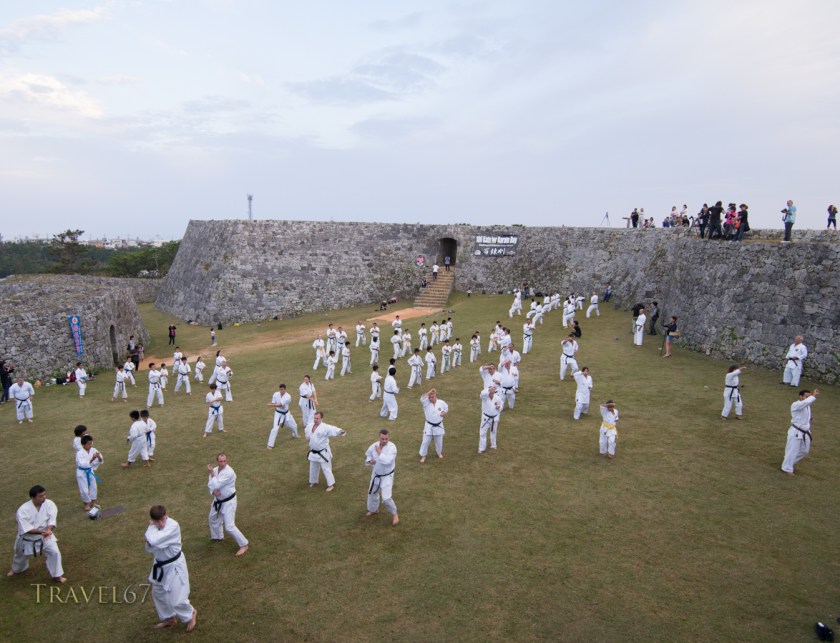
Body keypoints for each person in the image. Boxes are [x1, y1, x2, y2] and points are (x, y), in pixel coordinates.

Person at [144, 505, 197, 632]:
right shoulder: (155, 529)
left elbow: (153, 541)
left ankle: (191, 613)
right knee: (158, 593)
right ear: (153, 519)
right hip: (160, 565)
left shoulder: (173, 526)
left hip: (174, 565)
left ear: (166, 515)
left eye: (162, 520)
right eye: (157, 521)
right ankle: (169, 618)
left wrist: (151, 526)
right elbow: (149, 547)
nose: (161, 524)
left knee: (177, 599)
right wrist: (151, 533)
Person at [7, 485, 65, 583]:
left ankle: (56, 575)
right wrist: (44, 532)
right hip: (27, 538)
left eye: (44, 494)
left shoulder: (49, 504)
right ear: (33, 497)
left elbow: (52, 520)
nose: (44, 497)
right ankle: (16, 569)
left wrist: (49, 530)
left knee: (54, 552)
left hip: (46, 536)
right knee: (20, 556)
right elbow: (27, 529)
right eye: (41, 496)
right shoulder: (23, 510)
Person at [207, 453, 249, 556]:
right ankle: (218, 536)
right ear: (217, 461)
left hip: (229, 502)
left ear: (227, 460)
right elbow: (210, 484)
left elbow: (216, 484)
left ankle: (244, 544)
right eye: (221, 461)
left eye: (225, 461)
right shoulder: (216, 470)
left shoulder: (229, 472)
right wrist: (213, 492)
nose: (223, 463)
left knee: (229, 526)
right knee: (212, 518)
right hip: (218, 500)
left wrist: (212, 474)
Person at [780, 388, 820, 475]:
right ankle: (787, 468)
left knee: (805, 451)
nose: (807, 398)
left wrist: (809, 418)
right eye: (806, 396)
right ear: (800, 396)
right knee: (792, 450)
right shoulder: (796, 404)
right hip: (796, 432)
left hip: (805, 432)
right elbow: (805, 403)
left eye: (808, 397)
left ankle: (788, 462)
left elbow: (805, 413)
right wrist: (813, 396)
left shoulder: (807, 406)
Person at [305, 411, 347, 491]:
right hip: (313, 451)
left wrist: (340, 431)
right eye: (314, 418)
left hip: (323, 452)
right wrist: (307, 437)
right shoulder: (310, 426)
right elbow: (307, 432)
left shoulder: (325, 427)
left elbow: (333, 429)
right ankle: (313, 481)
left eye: (317, 418)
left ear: (321, 419)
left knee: (326, 468)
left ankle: (331, 485)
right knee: (313, 467)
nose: (315, 420)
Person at [365, 429, 399, 526]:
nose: (384, 440)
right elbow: (368, 455)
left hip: (387, 475)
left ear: (389, 437)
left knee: (386, 498)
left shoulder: (392, 448)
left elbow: (388, 461)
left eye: (386, 439)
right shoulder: (373, 446)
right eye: (382, 439)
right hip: (376, 474)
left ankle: (394, 514)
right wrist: (370, 461)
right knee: (372, 493)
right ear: (379, 437)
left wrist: (380, 453)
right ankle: (373, 510)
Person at [419, 388, 448, 462]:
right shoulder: (426, 403)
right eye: (430, 397)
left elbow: (446, 408)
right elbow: (422, 399)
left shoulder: (441, 402)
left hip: (439, 425)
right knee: (425, 441)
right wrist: (429, 392)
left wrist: (444, 413)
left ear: (436, 396)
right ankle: (423, 455)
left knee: (439, 441)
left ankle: (439, 453)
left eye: (432, 397)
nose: (431, 399)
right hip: (429, 426)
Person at [75, 435, 103, 511]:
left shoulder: (93, 450)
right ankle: (86, 504)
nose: (90, 445)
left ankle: (94, 502)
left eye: (91, 443)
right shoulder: (79, 453)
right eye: (88, 444)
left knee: (93, 486)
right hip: (82, 472)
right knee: (84, 489)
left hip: (90, 470)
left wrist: (99, 457)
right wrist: (92, 458)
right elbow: (83, 464)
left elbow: (100, 460)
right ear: (83, 444)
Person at [478, 385, 502, 453]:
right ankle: (482, 448)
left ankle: (493, 445)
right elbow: (482, 394)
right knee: (482, 433)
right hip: (486, 418)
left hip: (494, 418)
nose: (491, 393)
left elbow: (501, 406)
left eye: (493, 392)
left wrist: (499, 407)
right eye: (490, 392)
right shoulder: (484, 397)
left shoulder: (497, 398)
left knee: (494, 432)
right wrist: (488, 389)